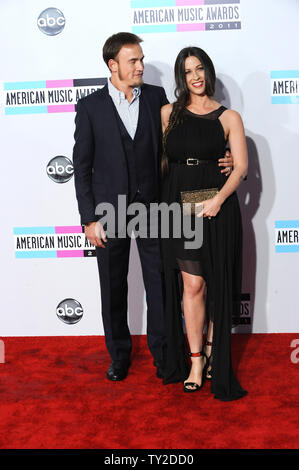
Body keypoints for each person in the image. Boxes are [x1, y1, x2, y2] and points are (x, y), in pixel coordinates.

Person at [73, 33, 233, 382]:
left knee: (160, 285)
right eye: (133, 61)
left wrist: (226, 155)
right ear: (113, 65)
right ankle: (119, 356)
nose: (141, 66)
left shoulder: (157, 99)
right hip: (109, 211)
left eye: (142, 59)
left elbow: (187, 139)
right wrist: (88, 219)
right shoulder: (90, 107)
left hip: (154, 209)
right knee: (113, 288)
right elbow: (81, 168)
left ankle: (167, 357)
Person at [160, 46, 248, 401]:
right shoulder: (169, 113)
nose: (194, 76)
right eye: (186, 71)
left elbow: (240, 167)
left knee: (217, 283)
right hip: (179, 208)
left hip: (217, 206)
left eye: (199, 68)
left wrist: (217, 199)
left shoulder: (230, 117)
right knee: (192, 285)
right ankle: (196, 360)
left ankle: (212, 350)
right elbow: (161, 160)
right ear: (181, 78)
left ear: (208, 72)